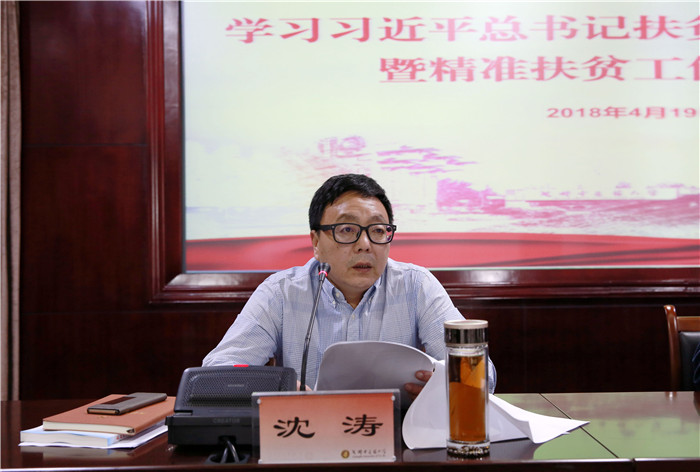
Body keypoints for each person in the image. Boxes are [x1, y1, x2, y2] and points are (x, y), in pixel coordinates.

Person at [203, 173, 496, 397]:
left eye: (378, 230)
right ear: (316, 242)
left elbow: (482, 375)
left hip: (400, 438)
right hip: (308, 438)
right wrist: (279, 387)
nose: (365, 244)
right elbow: (216, 374)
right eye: (347, 230)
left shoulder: (416, 286)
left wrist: (445, 385)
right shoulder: (281, 292)